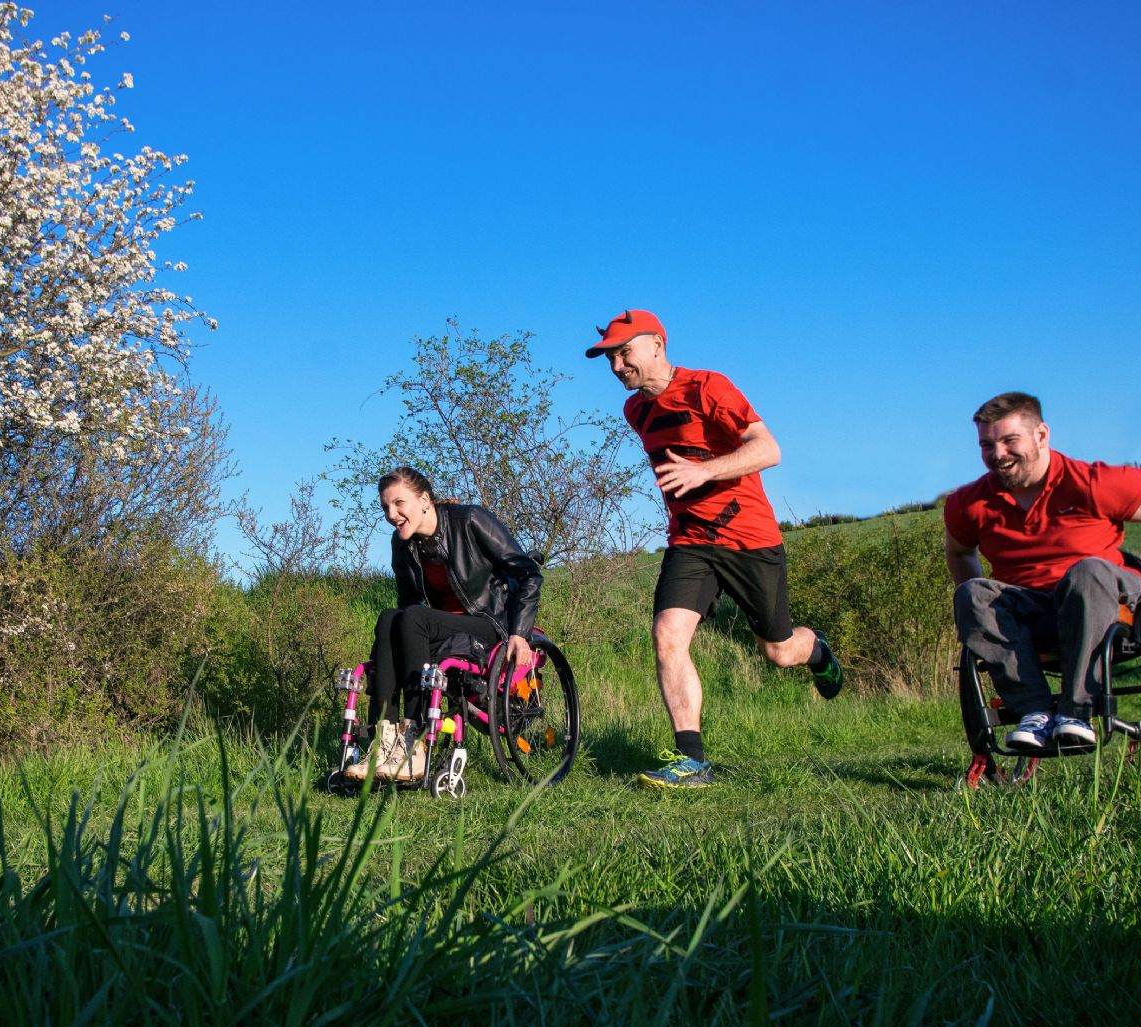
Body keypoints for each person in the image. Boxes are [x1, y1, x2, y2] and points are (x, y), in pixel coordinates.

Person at [586, 309, 843, 789]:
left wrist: (703, 470)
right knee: (667, 635)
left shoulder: (709, 387)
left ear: (657, 345)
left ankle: (817, 650)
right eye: (610, 359)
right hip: (690, 541)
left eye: (624, 353)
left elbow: (768, 449)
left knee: (778, 650)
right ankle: (692, 761)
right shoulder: (636, 410)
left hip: (749, 538)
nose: (617, 367)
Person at [944, 391, 1141, 750]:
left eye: (1009, 441)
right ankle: (1034, 714)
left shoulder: (1093, 483)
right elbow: (960, 552)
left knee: (1085, 573)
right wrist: (985, 618)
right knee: (971, 593)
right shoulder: (969, 503)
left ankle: (1077, 712)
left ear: (1041, 435)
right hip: (1033, 613)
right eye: (986, 445)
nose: (998, 454)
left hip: (1110, 606)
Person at [343, 466, 543, 783]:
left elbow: (528, 573)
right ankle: (385, 740)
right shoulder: (403, 544)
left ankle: (415, 739)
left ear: (424, 500)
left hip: (490, 625)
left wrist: (520, 633)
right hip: (443, 628)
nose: (391, 515)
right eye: (385, 507)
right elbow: (408, 602)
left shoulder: (470, 520)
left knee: (413, 617)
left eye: (399, 503)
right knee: (389, 617)